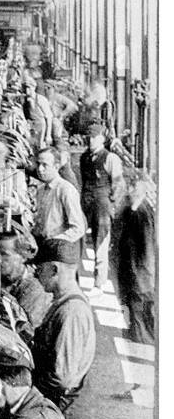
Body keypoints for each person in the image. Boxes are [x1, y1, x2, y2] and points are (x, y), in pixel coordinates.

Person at [33, 239, 97, 419]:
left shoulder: (71, 311)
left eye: (39, 269)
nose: (36, 274)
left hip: (68, 408)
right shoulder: (63, 302)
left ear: (54, 269)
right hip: (67, 403)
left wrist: (31, 392)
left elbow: (63, 377)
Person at [78, 122, 126, 293]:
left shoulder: (110, 158)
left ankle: (98, 283)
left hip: (102, 204)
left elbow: (119, 185)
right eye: (88, 137)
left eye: (94, 138)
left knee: (101, 242)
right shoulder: (83, 158)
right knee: (78, 239)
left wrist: (111, 204)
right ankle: (75, 281)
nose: (90, 141)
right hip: (86, 203)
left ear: (102, 138)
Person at [111, 173, 156, 347]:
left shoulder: (143, 213)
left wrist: (142, 270)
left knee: (138, 302)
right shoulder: (132, 210)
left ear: (142, 191)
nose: (129, 191)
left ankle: (142, 336)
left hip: (139, 268)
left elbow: (146, 247)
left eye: (133, 188)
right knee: (131, 301)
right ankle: (135, 333)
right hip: (130, 265)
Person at [0, 231, 50, 340]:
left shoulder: (33, 291)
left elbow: (26, 335)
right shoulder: (1, 279)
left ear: (22, 257)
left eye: (4, 254)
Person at [30, 146, 86, 251]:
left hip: (58, 251)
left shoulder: (66, 190)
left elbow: (78, 228)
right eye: (38, 164)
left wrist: (55, 242)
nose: (40, 169)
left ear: (56, 166)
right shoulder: (41, 190)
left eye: (44, 165)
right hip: (43, 246)